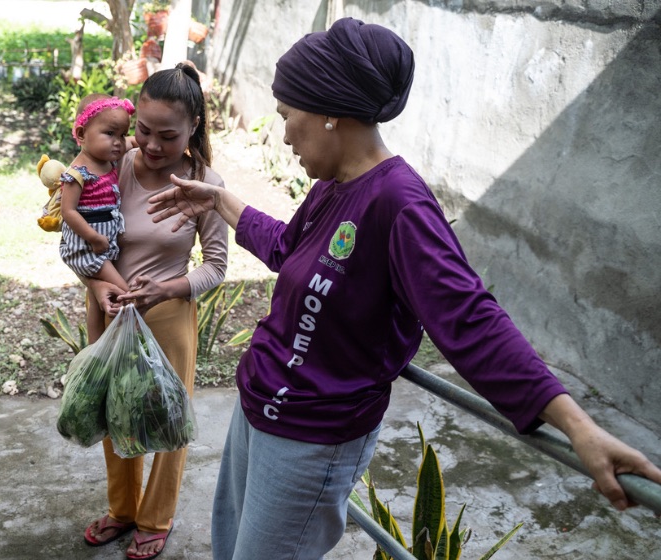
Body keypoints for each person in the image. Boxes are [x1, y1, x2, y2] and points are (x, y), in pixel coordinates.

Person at [146, 18, 661, 560]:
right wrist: (217, 201)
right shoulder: (333, 188)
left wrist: (577, 427)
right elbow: (287, 248)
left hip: (311, 437)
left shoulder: (400, 203)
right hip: (261, 409)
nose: (283, 133)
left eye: (287, 115)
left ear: (328, 113)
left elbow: (470, 320)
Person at [81, 63, 228, 560]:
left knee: (165, 419)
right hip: (108, 307)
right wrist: (100, 286)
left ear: (193, 129)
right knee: (110, 412)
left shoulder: (204, 182)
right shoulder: (112, 166)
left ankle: (156, 517)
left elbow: (215, 267)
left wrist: (166, 289)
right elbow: (81, 243)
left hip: (167, 317)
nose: (151, 145)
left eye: (168, 135)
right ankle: (122, 510)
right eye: (143, 130)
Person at [59, 93, 136, 341]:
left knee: (95, 299)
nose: (119, 142)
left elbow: (134, 143)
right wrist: (93, 238)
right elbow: (68, 212)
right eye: (110, 134)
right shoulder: (78, 173)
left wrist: (146, 140)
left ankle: (96, 348)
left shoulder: (107, 160)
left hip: (101, 243)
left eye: (122, 135)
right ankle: (125, 340)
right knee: (125, 292)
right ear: (81, 134)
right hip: (87, 246)